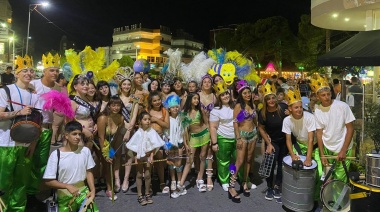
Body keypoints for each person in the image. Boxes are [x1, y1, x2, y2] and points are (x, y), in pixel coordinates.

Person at [0, 55, 41, 211]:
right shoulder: (5, 91)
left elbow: (38, 121)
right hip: (5, 144)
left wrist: (34, 143)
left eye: (31, 71)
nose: (29, 73)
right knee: (3, 182)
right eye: (25, 70)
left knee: (21, 183)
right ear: (16, 73)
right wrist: (18, 112)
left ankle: (17, 210)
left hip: (25, 144)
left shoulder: (34, 94)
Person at [28, 52, 61, 206]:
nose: (55, 73)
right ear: (44, 71)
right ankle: (22, 192)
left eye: (57, 70)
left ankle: (32, 194)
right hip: (33, 128)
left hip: (47, 130)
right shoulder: (33, 84)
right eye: (52, 70)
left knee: (41, 163)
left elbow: (59, 109)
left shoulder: (57, 88)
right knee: (27, 159)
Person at [43, 121, 99, 212]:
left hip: (83, 193)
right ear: (66, 135)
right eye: (74, 134)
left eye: (79, 134)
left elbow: (89, 172)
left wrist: (92, 190)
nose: (77, 137)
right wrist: (67, 186)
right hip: (64, 196)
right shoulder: (56, 155)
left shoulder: (85, 151)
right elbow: (48, 181)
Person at [310, 76, 355, 183]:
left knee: (340, 180)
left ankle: (338, 200)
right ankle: (328, 199)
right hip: (327, 148)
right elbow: (319, 133)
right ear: (318, 97)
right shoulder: (318, 110)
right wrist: (322, 154)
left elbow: (350, 129)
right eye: (323, 95)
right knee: (327, 179)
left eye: (328, 94)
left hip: (343, 147)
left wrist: (343, 150)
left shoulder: (342, 106)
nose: (326, 97)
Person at [282, 88, 322, 202]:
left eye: (300, 107)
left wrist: (309, 157)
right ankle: (296, 195)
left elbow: (310, 139)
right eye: (296, 107)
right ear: (290, 108)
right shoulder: (287, 120)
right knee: (292, 167)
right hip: (299, 145)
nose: (299, 109)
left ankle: (314, 199)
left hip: (314, 146)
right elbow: (288, 140)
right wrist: (292, 154)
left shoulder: (309, 117)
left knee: (317, 171)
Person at [228, 80, 258, 203]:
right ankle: (231, 186)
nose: (247, 95)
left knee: (249, 159)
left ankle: (244, 182)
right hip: (243, 136)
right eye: (245, 93)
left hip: (253, 135)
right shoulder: (239, 106)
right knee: (239, 161)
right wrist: (238, 138)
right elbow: (236, 123)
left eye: (249, 92)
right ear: (241, 94)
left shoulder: (253, 105)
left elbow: (255, 121)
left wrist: (258, 132)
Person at [126, 111, 165, 206]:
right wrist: (135, 158)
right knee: (139, 175)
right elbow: (134, 146)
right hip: (140, 157)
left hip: (147, 157)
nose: (148, 121)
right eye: (145, 119)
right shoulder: (138, 133)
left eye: (149, 119)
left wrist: (151, 156)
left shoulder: (152, 132)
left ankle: (147, 194)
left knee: (147, 175)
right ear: (140, 121)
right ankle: (140, 195)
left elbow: (154, 145)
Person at [258, 82, 288, 203]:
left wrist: (291, 114)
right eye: (268, 99)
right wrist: (268, 143)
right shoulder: (263, 112)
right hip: (272, 141)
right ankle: (270, 186)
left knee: (281, 164)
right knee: (271, 162)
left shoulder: (283, 108)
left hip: (284, 140)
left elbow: (300, 111)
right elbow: (261, 128)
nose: (271, 100)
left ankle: (277, 186)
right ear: (265, 100)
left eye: (273, 98)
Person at [209, 81, 241, 192]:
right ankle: (225, 181)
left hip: (237, 138)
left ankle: (240, 178)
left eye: (226, 93)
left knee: (239, 159)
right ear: (219, 97)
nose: (225, 96)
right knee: (223, 161)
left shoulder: (236, 106)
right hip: (223, 138)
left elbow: (241, 120)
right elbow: (213, 127)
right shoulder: (215, 110)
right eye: (222, 95)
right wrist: (214, 143)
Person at [177, 92, 210, 194]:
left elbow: (206, 123)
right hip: (193, 137)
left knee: (203, 157)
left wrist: (212, 138)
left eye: (198, 99)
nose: (196, 101)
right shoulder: (184, 113)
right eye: (194, 98)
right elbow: (184, 130)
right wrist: (186, 144)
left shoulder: (201, 110)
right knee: (189, 160)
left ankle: (200, 179)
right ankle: (181, 184)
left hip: (205, 135)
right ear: (190, 99)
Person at [97, 96, 128, 200]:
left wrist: (112, 151)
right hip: (101, 144)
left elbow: (118, 134)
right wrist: (105, 153)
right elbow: (101, 137)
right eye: (113, 105)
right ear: (109, 106)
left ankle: (112, 183)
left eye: (118, 105)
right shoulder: (103, 118)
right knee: (107, 164)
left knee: (113, 162)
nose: (116, 107)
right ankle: (109, 189)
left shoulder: (121, 118)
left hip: (112, 143)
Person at [114, 67, 139, 193]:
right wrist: (124, 125)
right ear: (120, 85)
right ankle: (117, 178)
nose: (126, 86)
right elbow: (115, 114)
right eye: (124, 84)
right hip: (118, 129)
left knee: (129, 155)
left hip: (130, 130)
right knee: (118, 155)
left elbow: (134, 115)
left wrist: (129, 130)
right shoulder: (115, 97)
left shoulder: (134, 98)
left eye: (129, 84)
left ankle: (126, 179)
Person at [147, 91, 169, 193]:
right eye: (154, 101)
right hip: (148, 140)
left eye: (158, 100)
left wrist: (156, 120)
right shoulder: (147, 110)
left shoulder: (164, 111)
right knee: (149, 162)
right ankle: (149, 183)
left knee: (160, 160)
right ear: (151, 102)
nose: (157, 102)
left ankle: (162, 182)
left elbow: (167, 125)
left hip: (159, 139)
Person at [162, 95, 185, 198]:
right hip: (170, 144)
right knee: (171, 162)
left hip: (179, 144)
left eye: (177, 106)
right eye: (173, 107)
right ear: (169, 109)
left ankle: (180, 180)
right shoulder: (168, 119)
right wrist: (166, 146)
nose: (175, 109)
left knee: (179, 163)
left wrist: (184, 143)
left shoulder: (181, 118)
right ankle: (173, 180)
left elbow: (184, 132)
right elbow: (164, 134)